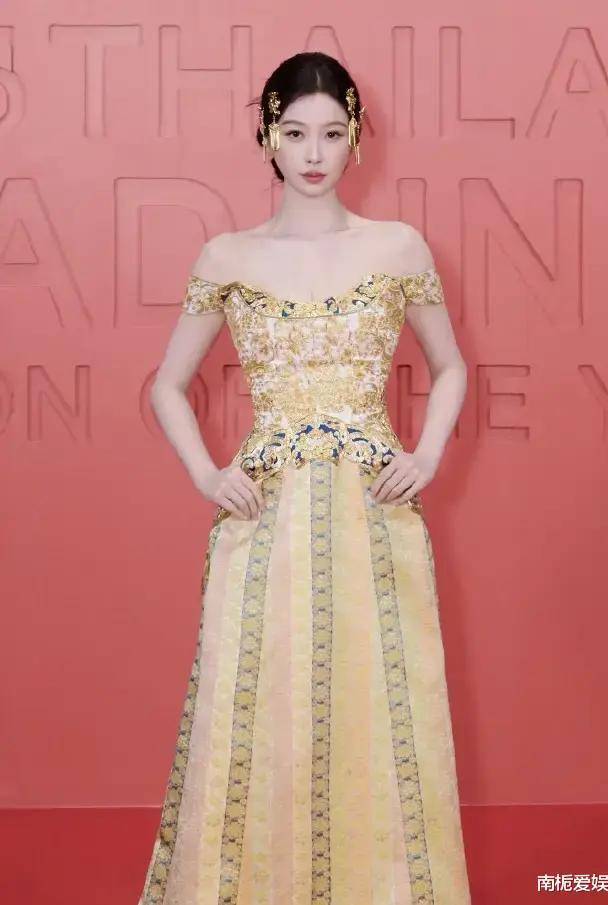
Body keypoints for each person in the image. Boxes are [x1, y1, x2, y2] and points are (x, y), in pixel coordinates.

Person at [138, 51, 472, 905]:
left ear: (355, 136)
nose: (313, 152)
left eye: (330, 132)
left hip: (375, 514)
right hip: (265, 518)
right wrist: (207, 473)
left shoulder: (396, 247)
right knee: (256, 710)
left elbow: (451, 366)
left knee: (380, 706)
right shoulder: (227, 256)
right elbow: (166, 385)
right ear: (267, 137)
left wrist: (426, 454)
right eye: (294, 133)